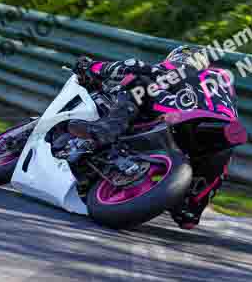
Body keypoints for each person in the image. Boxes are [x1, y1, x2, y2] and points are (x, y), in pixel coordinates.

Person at [67, 45, 238, 229]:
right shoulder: (223, 82)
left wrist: (91, 67)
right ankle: (191, 208)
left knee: (139, 81)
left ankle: (108, 128)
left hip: (182, 113)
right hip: (224, 130)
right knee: (222, 154)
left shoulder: (181, 68)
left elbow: (135, 66)